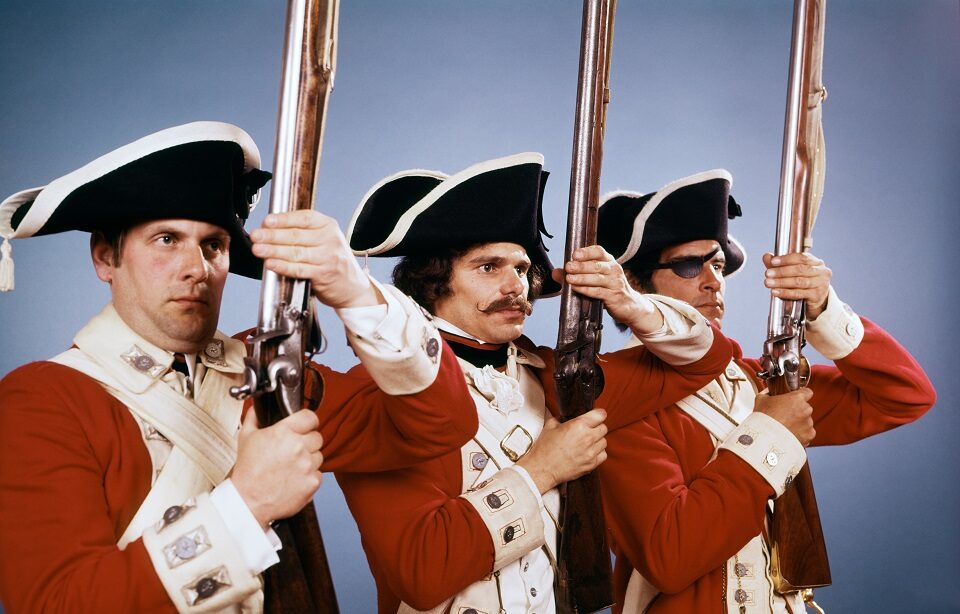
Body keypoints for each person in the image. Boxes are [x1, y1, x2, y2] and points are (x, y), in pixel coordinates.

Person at [0, 122, 476, 613]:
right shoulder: (43, 399)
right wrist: (246, 505)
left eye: (213, 245)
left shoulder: (265, 371)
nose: (196, 268)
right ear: (106, 256)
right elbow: (54, 603)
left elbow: (442, 425)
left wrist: (356, 292)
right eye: (166, 239)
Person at [339, 152, 735, 613]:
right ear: (433, 281)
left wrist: (631, 304)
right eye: (489, 267)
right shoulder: (383, 392)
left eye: (523, 269)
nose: (516, 287)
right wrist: (542, 469)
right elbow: (423, 571)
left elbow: (707, 358)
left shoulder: (554, 377)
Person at [594, 169, 937, 613]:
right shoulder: (615, 395)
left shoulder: (757, 380)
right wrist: (770, 435)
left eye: (717, 265)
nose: (712, 280)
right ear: (635, 285)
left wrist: (824, 308)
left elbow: (906, 395)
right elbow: (670, 557)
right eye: (687, 264)